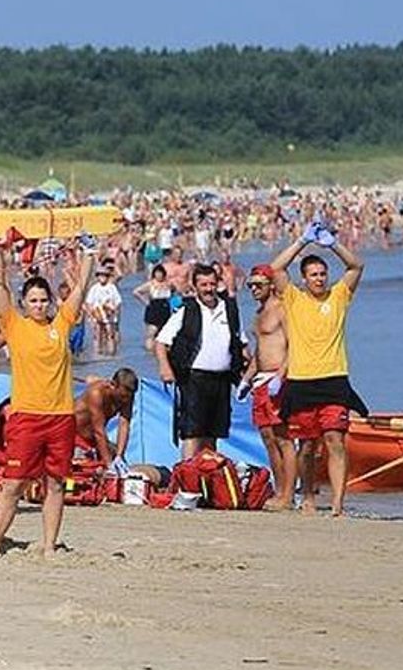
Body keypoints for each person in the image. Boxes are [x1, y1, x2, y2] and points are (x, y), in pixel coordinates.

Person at [0, 238, 96, 560]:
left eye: (43, 300)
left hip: (61, 417)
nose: (39, 305)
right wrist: (0, 249)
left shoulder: (61, 323)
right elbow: (0, 286)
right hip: (26, 418)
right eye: (33, 300)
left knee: (57, 484)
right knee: (13, 485)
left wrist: (89, 252)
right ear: (24, 302)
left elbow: (81, 289)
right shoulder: (14, 325)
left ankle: (48, 545)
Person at [271, 218, 367, 516]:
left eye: (323, 274)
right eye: (313, 274)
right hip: (302, 381)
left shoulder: (338, 296)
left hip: (334, 379)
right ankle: (308, 497)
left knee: (335, 440)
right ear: (304, 278)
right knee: (308, 447)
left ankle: (338, 504)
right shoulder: (294, 298)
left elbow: (356, 267)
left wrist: (333, 244)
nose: (319, 279)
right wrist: (302, 241)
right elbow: (275, 269)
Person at [155, 263, 249, 459]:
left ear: (218, 284)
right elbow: (161, 342)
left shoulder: (230, 310)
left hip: (222, 380)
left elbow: (241, 342)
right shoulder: (187, 310)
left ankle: (208, 478)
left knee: (214, 434)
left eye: (212, 284)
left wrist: (250, 373)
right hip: (193, 379)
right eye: (203, 285)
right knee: (192, 433)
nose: (208, 289)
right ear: (195, 286)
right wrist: (165, 369)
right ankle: (188, 481)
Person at [237, 264, 296, 510]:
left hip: (277, 380)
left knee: (283, 438)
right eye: (251, 285)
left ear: (271, 284)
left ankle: (288, 494)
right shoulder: (258, 313)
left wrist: (280, 377)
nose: (254, 289)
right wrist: (246, 379)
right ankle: (279, 488)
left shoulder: (282, 310)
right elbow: (260, 352)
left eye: (259, 285)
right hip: (261, 380)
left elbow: (294, 347)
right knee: (268, 438)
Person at [73, 368, 138, 471]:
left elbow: (124, 423)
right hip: (75, 436)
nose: (125, 400)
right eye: (122, 396)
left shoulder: (127, 396)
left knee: (119, 460)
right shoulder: (96, 393)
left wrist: (119, 455)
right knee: (95, 469)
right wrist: (108, 464)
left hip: (94, 440)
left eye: (128, 397)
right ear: (112, 385)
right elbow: (98, 431)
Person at [132, 264, 173, 352]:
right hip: (153, 309)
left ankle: (162, 352)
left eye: (161, 273)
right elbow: (136, 292)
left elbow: (175, 292)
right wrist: (145, 301)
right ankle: (149, 352)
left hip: (165, 309)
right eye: (157, 273)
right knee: (151, 333)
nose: (159, 275)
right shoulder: (150, 284)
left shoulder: (168, 284)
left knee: (164, 333)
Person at [85, 267, 122, 356]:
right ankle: (98, 353)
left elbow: (118, 302)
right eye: (100, 275)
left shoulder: (112, 287)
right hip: (97, 314)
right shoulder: (94, 288)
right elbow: (89, 303)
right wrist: (91, 315)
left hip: (110, 315)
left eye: (104, 275)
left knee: (110, 334)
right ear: (97, 277)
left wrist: (114, 312)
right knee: (97, 335)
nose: (102, 277)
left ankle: (111, 353)